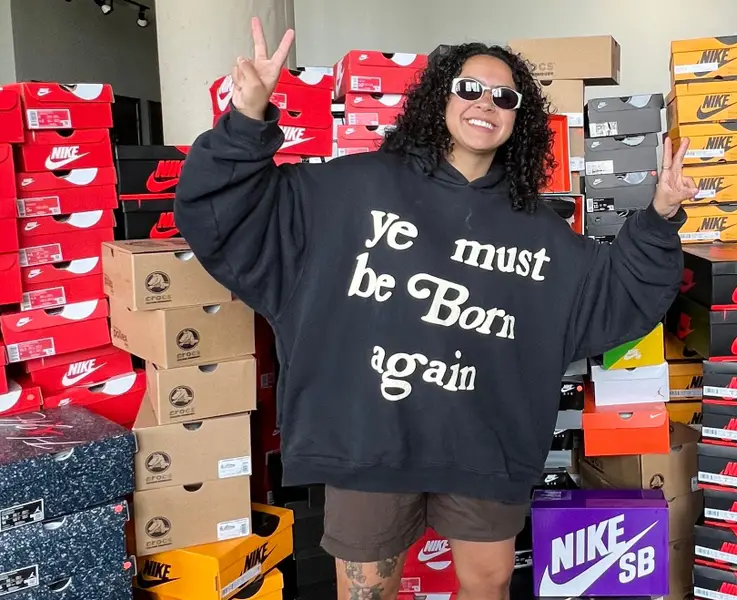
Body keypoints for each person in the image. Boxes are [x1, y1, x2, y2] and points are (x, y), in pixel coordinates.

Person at [174, 18, 698, 600]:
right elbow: (233, 213)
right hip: (369, 437)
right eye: (469, 88)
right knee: (366, 590)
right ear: (439, 97)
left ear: (519, 118)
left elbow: (611, 293)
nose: (486, 103)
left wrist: (660, 216)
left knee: (489, 582)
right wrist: (246, 119)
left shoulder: (538, 231)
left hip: (483, 441)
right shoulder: (352, 189)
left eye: (504, 97)